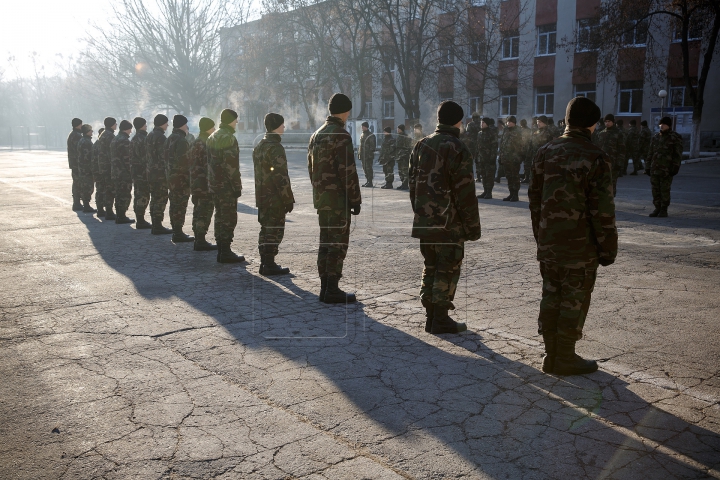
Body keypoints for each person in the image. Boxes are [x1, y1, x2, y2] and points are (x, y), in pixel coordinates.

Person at [528, 96, 618, 376]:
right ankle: (564, 356)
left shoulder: (545, 151)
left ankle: (551, 354)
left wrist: (541, 237)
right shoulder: (596, 157)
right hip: (580, 247)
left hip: (550, 243)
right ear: (593, 124)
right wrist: (608, 249)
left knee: (551, 295)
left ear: (567, 121)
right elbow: (602, 210)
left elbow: (534, 200)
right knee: (573, 299)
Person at [409, 101, 481, 334]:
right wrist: (472, 227)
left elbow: (412, 185)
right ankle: (440, 319)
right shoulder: (457, 147)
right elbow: (465, 194)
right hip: (449, 223)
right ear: (459, 121)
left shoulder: (421, 145)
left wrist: (420, 213)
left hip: (426, 220)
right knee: (447, 268)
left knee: (430, 265)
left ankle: (432, 317)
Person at [307, 93, 362, 303]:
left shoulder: (316, 135)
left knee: (326, 242)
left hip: (323, 200)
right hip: (338, 201)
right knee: (338, 244)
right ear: (346, 111)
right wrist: (355, 199)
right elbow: (347, 172)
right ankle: (332, 289)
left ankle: (325, 287)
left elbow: (311, 169)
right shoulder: (341, 135)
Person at [253, 113, 295, 276]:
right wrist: (288, 198)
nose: (284, 127)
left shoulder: (260, 145)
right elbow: (280, 176)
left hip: (262, 195)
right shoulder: (275, 147)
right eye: (282, 124)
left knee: (265, 229)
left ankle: (265, 262)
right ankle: (269, 264)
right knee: (275, 229)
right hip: (274, 197)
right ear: (277, 126)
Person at [207, 109, 246, 263]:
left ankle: (221, 249)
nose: (237, 122)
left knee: (219, 216)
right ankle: (226, 251)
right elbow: (231, 166)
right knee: (229, 218)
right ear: (231, 120)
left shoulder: (212, 136)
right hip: (226, 186)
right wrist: (237, 186)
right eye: (236, 119)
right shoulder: (228, 138)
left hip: (215, 184)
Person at [188, 117, 218, 251]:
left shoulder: (195, 141)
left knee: (198, 210)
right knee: (204, 211)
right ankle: (200, 240)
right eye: (213, 126)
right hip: (204, 183)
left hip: (195, 182)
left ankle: (198, 238)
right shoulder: (206, 143)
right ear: (208, 128)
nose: (215, 129)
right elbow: (209, 166)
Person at [165, 114, 194, 243]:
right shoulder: (182, 140)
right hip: (181, 179)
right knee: (180, 205)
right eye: (186, 124)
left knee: (174, 204)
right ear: (182, 125)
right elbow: (185, 162)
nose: (187, 126)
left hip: (171, 177)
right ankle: (178, 232)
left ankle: (176, 231)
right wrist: (189, 180)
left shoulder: (169, 138)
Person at [647, 116, 683, 218]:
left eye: (664, 124)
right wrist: (647, 167)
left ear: (669, 125)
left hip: (666, 169)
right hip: (655, 168)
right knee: (655, 190)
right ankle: (657, 208)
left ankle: (664, 209)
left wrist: (675, 167)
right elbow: (650, 153)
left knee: (664, 190)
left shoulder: (675, 137)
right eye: (660, 124)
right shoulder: (656, 137)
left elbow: (677, 154)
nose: (661, 126)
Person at [146, 114, 173, 234]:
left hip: (150, 171)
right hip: (160, 173)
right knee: (161, 199)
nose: (168, 125)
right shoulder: (161, 138)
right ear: (162, 123)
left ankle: (155, 224)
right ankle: (157, 226)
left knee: (154, 198)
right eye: (166, 122)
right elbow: (164, 157)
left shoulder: (149, 135)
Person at [109, 120, 136, 224]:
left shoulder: (115, 139)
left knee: (119, 194)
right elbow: (127, 159)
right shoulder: (124, 141)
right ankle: (121, 216)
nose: (131, 131)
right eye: (130, 129)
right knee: (125, 195)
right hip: (123, 173)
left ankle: (119, 215)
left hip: (115, 172)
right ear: (127, 129)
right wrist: (131, 172)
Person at [593, 114, 625, 197]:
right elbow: (597, 148)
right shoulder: (601, 133)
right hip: (601, 163)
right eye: (606, 121)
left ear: (613, 122)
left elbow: (622, 150)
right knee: (601, 183)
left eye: (609, 121)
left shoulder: (618, 134)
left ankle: (610, 203)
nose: (607, 123)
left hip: (613, 163)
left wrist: (619, 163)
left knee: (611, 184)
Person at [130, 117, 151, 229]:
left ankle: (140, 219)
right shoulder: (143, 139)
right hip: (143, 171)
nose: (146, 126)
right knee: (143, 195)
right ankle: (141, 220)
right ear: (142, 125)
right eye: (145, 124)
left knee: (138, 194)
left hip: (136, 171)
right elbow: (145, 157)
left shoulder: (134, 138)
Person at [498, 116, 524, 202]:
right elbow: (502, 144)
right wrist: (500, 156)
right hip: (506, 158)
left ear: (514, 122)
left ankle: (515, 195)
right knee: (508, 176)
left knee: (515, 176)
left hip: (514, 158)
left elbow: (522, 145)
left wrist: (520, 157)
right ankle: (511, 193)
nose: (509, 123)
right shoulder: (505, 130)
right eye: (508, 121)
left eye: (511, 122)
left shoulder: (518, 131)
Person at [96, 117, 117, 220]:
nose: (116, 125)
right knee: (110, 189)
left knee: (102, 188)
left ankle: (101, 210)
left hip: (103, 166)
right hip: (108, 166)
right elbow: (111, 153)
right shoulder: (109, 135)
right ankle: (109, 211)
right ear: (112, 124)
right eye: (115, 123)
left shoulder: (103, 134)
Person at [524, 115, 554, 184]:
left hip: (544, 160)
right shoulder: (536, 132)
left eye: (540, 122)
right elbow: (531, 143)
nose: (538, 123)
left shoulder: (549, 132)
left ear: (544, 122)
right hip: (535, 159)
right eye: (537, 122)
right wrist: (528, 155)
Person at [476, 117, 498, 199]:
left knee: (489, 176)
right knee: (483, 176)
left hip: (489, 159)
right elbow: (478, 146)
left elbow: (494, 147)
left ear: (487, 124)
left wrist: (492, 158)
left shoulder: (492, 133)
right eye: (481, 122)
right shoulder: (479, 133)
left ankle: (489, 192)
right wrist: (476, 156)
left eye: (483, 123)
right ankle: (485, 191)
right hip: (481, 158)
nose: (481, 124)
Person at [76, 124, 96, 213]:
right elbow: (89, 157)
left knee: (85, 186)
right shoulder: (87, 142)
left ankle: (85, 204)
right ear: (87, 131)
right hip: (87, 168)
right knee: (88, 187)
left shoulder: (82, 140)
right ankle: (86, 205)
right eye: (91, 130)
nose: (92, 132)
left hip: (82, 167)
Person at [67, 118, 83, 211]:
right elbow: (79, 150)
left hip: (74, 163)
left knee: (77, 182)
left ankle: (77, 202)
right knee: (78, 183)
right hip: (77, 163)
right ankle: (77, 203)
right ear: (78, 125)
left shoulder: (73, 134)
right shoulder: (76, 136)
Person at [462, 113, 482, 182]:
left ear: (473, 118)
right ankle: (479, 176)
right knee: (478, 161)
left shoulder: (470, 124)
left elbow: (467, 133)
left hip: (471, 145)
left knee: (470, 161)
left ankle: (469, 176)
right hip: (480, 144)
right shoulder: (481, 124)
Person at [358, 121, 377, 188]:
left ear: (366, 127)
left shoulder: (370, 135)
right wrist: (359, 154)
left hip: (368, 155)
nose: (362, 128)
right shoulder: (362, 135)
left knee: (369, 168)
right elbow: (361, 145)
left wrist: (370, 154)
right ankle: (367, 181)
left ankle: (370, 182)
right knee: (365, 168)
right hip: (363, 155)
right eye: (362, 127)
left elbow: (373, 146)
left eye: (363, 127)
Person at [92, 128, 106, 216]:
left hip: (97, 170)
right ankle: (101, 210)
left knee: (99, 190)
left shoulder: (96, 144)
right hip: (101, 171)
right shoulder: (100, 144)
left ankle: (100, 209)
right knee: (102, 190)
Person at [395, 124, 412, 190]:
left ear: (401, 129)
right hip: (399, 156)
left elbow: (408, 147)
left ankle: (405, 185)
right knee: (400, 171)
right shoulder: (399, 136)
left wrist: (405, 155)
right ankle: (403, 183)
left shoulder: (406, 137)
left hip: (404, 157)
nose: (397, 130)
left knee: (405, 171)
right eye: (397, 129)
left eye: (398, 129)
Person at [519, 118, 533, 183]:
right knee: (526, 164)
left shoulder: (522, 130)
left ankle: (526, 177)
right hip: (524, 149)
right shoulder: (528, 130)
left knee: (526, 164)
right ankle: (525, 176)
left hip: (526, 150)